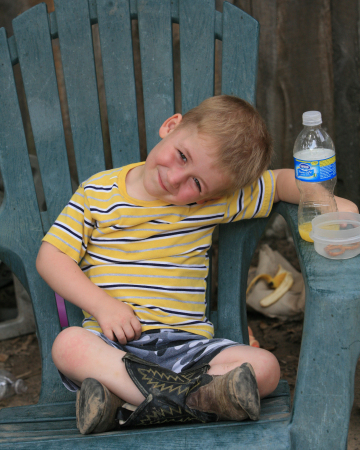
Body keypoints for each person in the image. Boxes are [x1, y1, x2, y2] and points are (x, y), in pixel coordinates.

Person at [36, 95, 358, 434]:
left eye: (197, 182)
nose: (176, 179)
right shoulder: (97, 193)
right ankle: (195, 401)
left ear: (207, 195)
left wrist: (333, 204)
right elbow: (52, 257)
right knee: (70, 345)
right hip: (113, 346)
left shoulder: (208, 203)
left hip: (188, 350)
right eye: (181, 156)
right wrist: (101, 306)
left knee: (266, 368)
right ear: (171, 127)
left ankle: (127, 403)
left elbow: (278, 183)